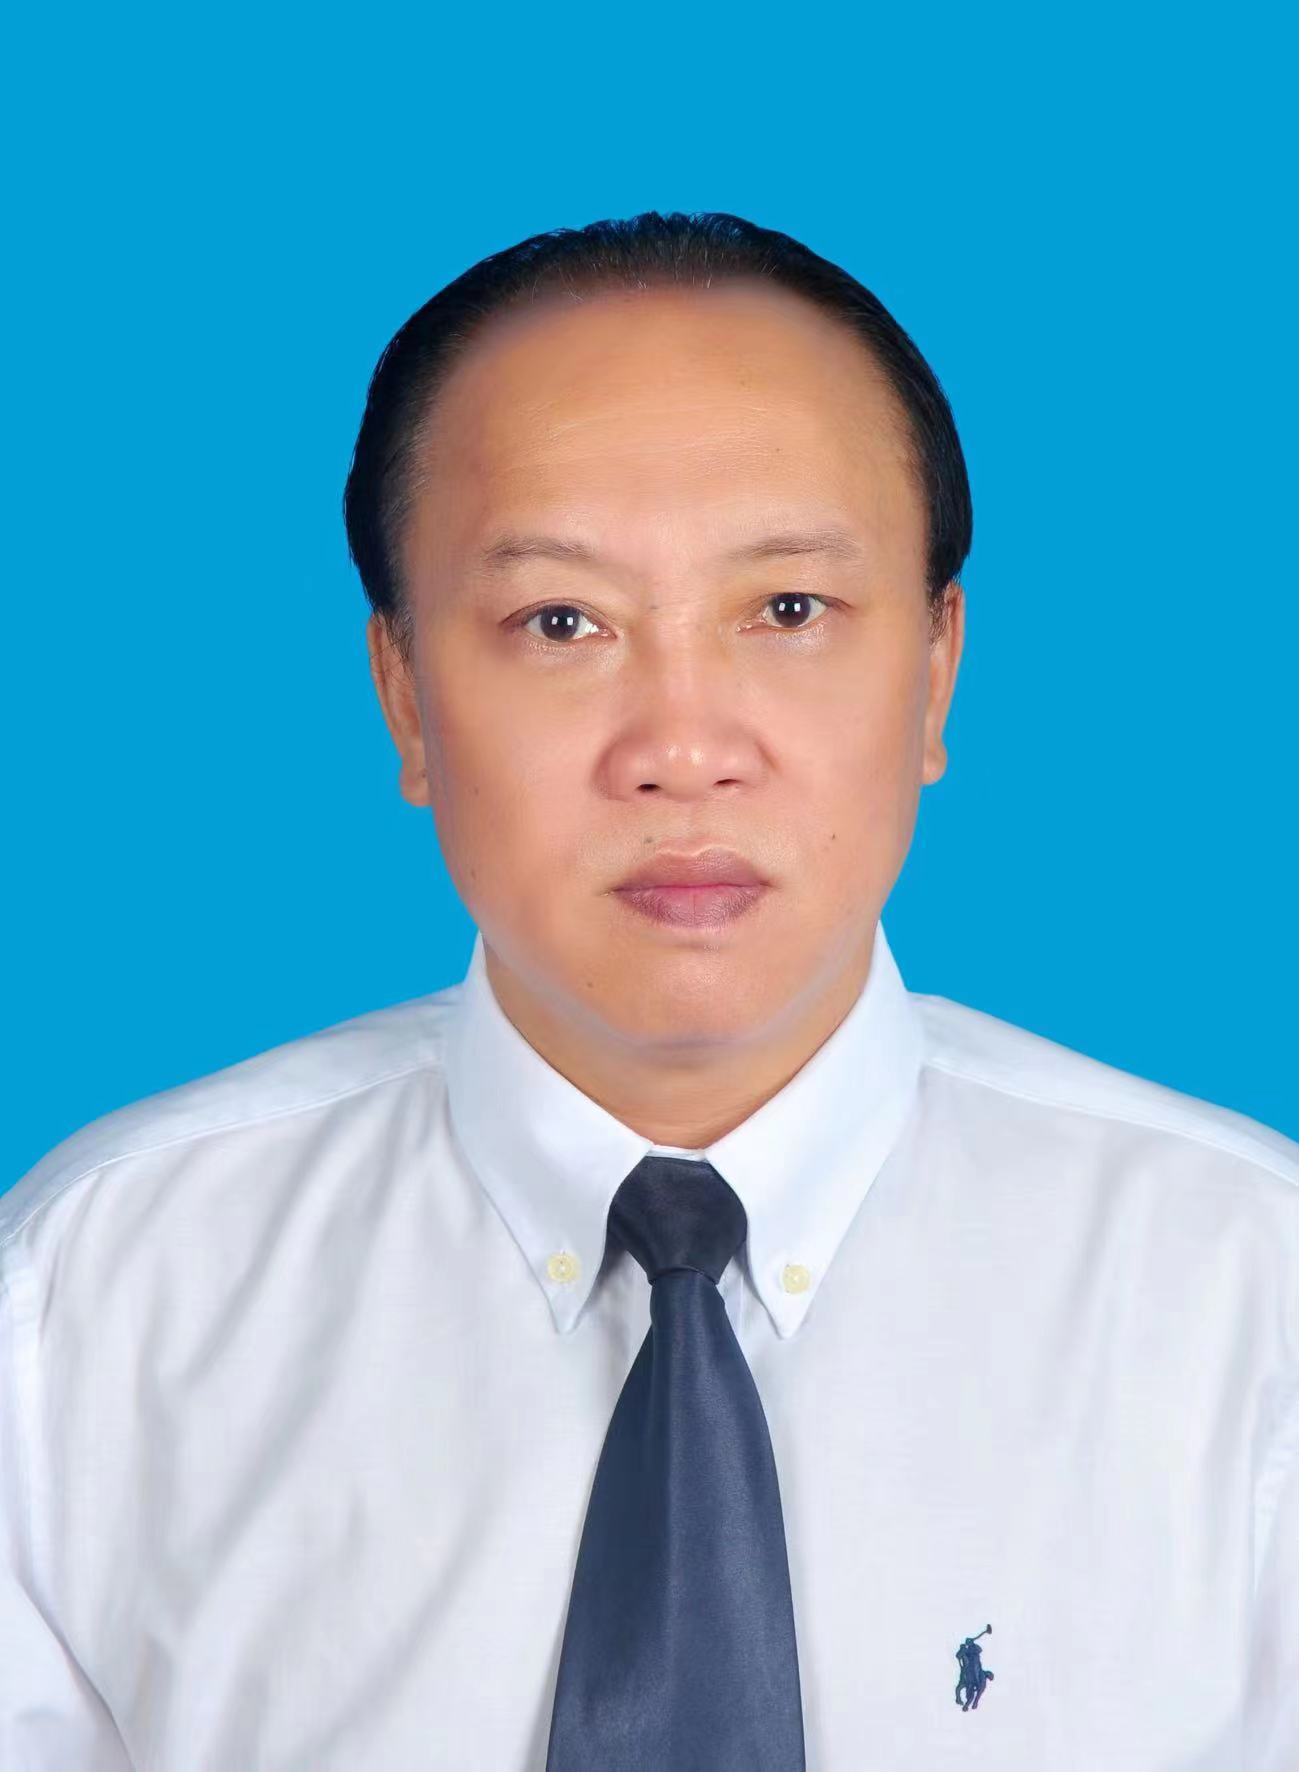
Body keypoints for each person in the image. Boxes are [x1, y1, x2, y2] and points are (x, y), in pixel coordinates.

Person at [2, 209, 1295, 1770]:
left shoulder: (1250, 1301)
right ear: (404, 695)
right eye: (561, 623)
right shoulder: (93, 1305)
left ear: (937, 668)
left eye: (789, 612)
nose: (682, 747)